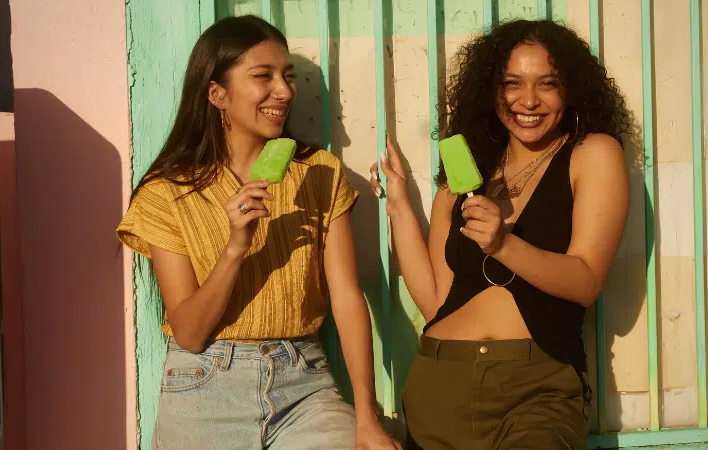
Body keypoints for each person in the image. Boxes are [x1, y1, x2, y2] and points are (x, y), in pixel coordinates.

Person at [117, 15, 401, 450]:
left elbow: (345, 295)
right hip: (203, 386)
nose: (284, 91)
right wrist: (235, 246)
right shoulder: (165, 194)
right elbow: (190, 332)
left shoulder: (318, 173)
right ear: (217, 94)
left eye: (287, 76)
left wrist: (367, 415)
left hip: (303, 383)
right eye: (263, 76)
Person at [370, 19, 630, 449]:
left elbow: (586, 282)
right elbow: (436, 299)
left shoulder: (592, 153)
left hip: (534, 388)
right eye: (513, 83)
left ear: (571, 88)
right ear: (492, 91)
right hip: (437, 383)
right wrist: (398, 205)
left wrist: (504, 244)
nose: (528, 100)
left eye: (547, 84)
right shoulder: (464, 169)